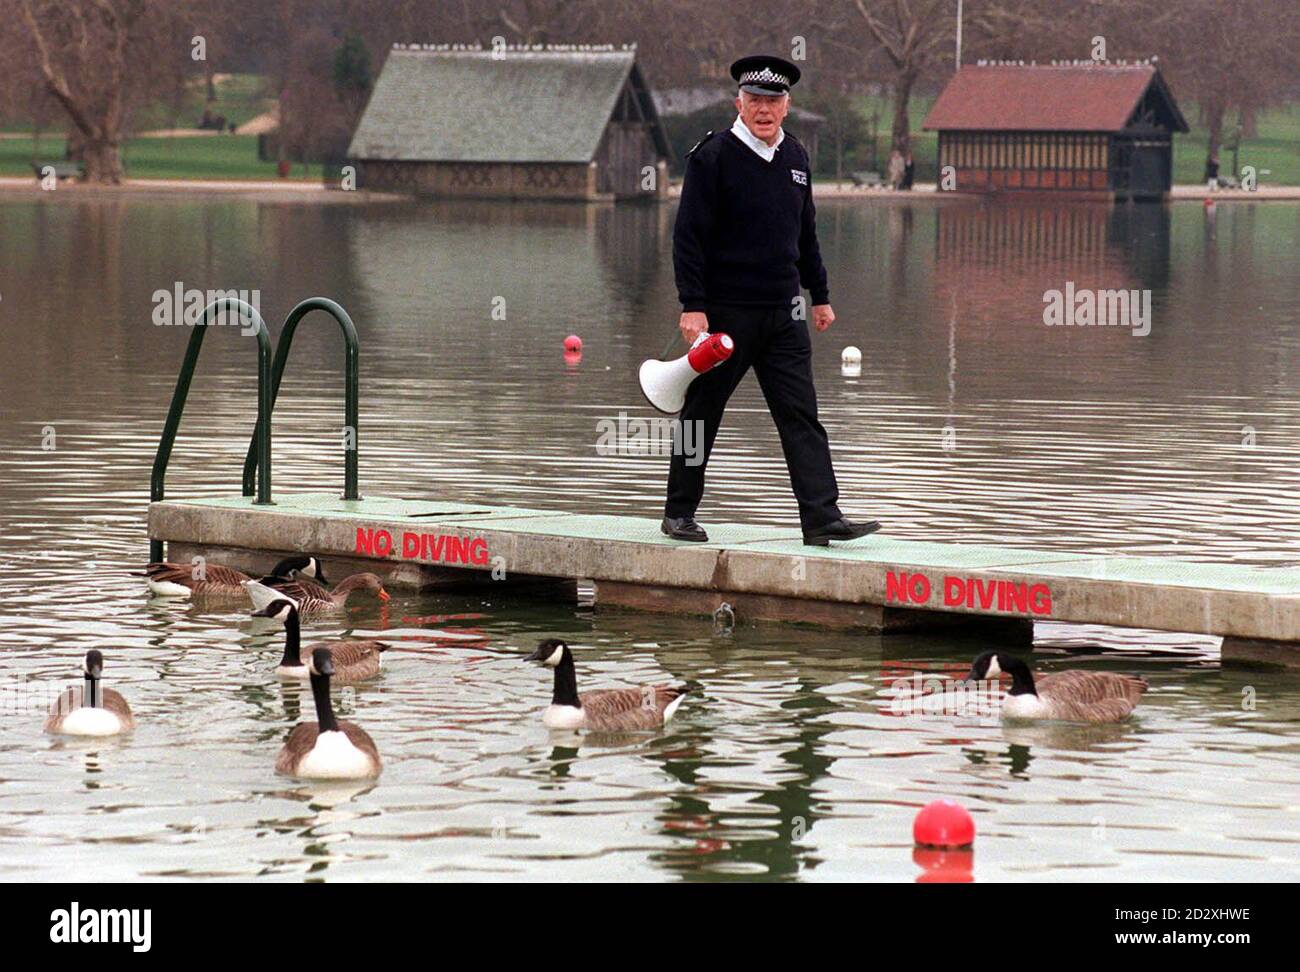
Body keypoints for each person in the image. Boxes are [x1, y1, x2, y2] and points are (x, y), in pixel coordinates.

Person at [663, 54, 880, 547]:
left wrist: (819, 295)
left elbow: (806, 235)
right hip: (725, 314)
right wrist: (692, 304)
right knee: (702, 413)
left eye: (773, 100)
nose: (764, 109)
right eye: (755, 100)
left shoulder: (797, 158)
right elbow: (688, 237)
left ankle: (822, 518)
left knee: (801, 414)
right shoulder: (712, 156)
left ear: (787, 105)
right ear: (738, 102)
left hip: (785, 314)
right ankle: (678, 513)